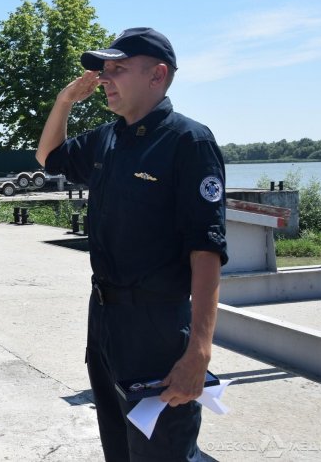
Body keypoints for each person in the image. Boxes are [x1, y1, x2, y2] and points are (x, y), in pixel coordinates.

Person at [35, 28, 228, 461]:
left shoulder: (187, 142)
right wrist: (65, 101)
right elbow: (48, 157)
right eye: (103, 70)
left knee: (163, 450)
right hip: (104, 317)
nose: (105, 79)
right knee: (118, 446)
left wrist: (199, 350)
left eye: (117, 69)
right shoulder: (108, 137)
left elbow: (207, 250)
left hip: (156, 325)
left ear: (157, 75)